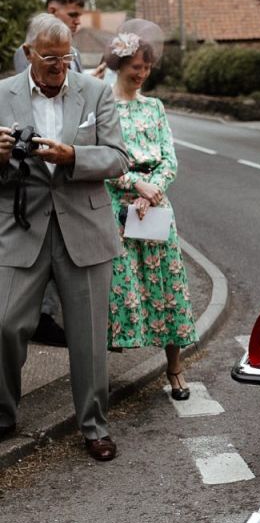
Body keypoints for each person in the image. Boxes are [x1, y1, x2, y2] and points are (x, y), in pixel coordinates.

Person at [0, 14, 129, 461]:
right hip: (21, 226)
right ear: (28, 52)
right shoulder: (2, 94)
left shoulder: (95, 92)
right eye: (49, 57)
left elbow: (118, 158)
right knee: (4, 323)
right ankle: (3, 414)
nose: (59, 66)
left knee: (89, 335)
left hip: (84, 226)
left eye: (65, 57)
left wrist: (73, 155)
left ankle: (94, 427)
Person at [103, 21, 197, 401]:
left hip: (155, 208)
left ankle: (175, 367)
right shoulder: (103, 106)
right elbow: (103, 161)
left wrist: (152, 190)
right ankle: (101, 376)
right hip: (118, 209)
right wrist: (133, 185)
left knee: (167, 286)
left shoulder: (154, 107)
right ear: (119, 63)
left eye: (147, 67)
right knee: (120, 289)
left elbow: (169, 159)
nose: (141, 74)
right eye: (135, 66)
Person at [14, 0, 107, 347]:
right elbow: (37, 111)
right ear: (53, 11)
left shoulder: (71, 53)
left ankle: (53, 318)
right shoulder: (32, 54)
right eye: (72, 14)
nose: (78, 21)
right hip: (40, 185)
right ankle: (39, 319)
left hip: (73, 183)